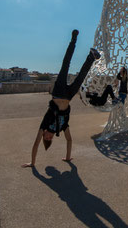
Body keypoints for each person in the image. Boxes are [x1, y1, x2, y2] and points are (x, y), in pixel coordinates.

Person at [22, 29, 100, 167]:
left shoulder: (44, 125)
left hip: (58, 93)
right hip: (69, 96)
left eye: (46, 137)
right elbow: (69, 140)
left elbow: (35, 144)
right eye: (49, 139)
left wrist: (32, 163)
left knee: (65, 65)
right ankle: (91, 57)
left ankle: (73, 40)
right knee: (81, 77)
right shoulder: (61, 127)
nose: (48, 137)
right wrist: (68, 158)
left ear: (44, 134)